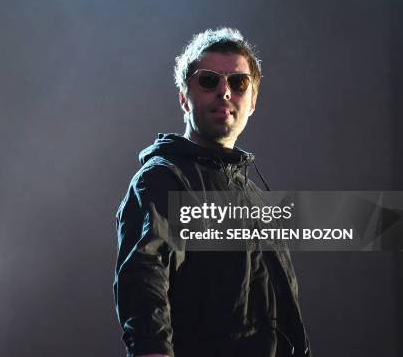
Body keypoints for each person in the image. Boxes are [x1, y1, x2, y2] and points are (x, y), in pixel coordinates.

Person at [113, 28, 311, 357]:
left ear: (253, 101)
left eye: (239, 82)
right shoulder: (163, 179)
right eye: (208, 80)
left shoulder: (254, 196)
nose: (225, 92)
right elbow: (143, 280)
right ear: (183, 96)